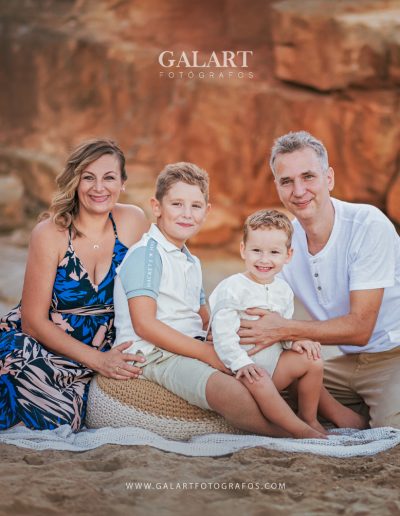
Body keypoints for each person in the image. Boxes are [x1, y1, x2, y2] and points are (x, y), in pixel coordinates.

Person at [113, 162, 326, 438]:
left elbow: (203, 316)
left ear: (207, 211)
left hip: (192, 345)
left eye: (196, 206)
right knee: (233, 390)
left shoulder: (190, 260)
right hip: (154, 355)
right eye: (177, 204)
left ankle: (310, 420)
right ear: (157, 207)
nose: (187, 214)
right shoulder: (147, 255)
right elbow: (144, 325)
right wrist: (207, 354)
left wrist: (242, 336)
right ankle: (285, 433)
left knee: (266, 365)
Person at [239, 130, 400, 429]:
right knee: (264, 388)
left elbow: (361, 328)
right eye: (287, 181)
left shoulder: (368, 225)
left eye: (308, 177)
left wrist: (285, 329)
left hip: (393, 356)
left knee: (390, 429)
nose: (299, 191)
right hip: (345, 363)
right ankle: (344, 413)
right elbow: (258, 308)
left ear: (329, 178)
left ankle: (371, 408)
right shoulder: (283, 241)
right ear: (277, 187)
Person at [0, 139, 149, 431]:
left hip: (102, 349)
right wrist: (98, 361)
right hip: (40, 345)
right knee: (57, 417)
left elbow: (162, 276)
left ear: (122, 183)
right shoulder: (50, 233)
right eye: (88, 177)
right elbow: (32, 322)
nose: (99, 188)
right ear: (75, 181)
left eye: (109, 178)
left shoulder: (133, 221)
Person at [208, 209, 365, 432]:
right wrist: (241, 363)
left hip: (274, 369)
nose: (264, 259)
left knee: (312, 359)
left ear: (288, 255)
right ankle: (291, 429)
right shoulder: (232, 287)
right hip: (242, 372)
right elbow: (222, 335)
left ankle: (309, 418)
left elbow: (282, 330)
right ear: (243, 250)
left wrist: (295, 342)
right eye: (256, 250)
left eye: (274, 252)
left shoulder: (283, 290)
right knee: (259, 379)